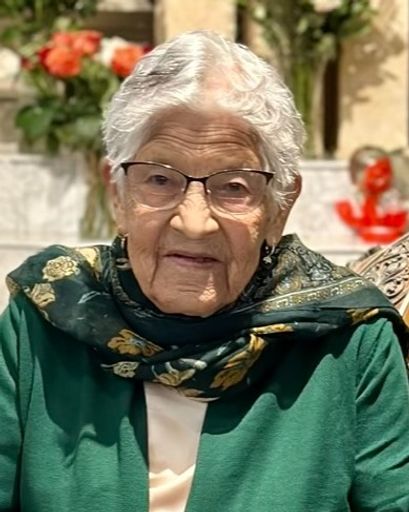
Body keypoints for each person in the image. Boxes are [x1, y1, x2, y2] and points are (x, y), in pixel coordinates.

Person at [1, 30, 409, 512]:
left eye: (234, 187)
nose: (194, 222)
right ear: (117, 194)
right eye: (159, 179)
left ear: (278, 207)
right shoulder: (47, 317)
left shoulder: (349, 341)